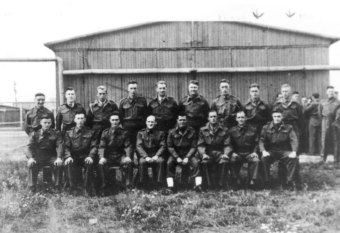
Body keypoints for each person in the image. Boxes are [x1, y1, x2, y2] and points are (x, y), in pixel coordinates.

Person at [260, 109, 299, 190]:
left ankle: (289, 181)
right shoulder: (266, 127)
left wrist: (294, 151)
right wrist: (263, 151)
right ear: (272, 117)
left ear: (282, 117)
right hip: (271, 150)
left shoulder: (289, 127)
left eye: (278, 116)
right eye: (275, 116)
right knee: (264, 159)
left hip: (284, 150)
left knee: (294, 158)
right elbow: (261, 140)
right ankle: (267, 181)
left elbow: (294, 140)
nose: (276, 118)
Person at [26, 114, 62, 192]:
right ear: (41, 123)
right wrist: (31, 158)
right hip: (38, 156)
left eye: (49, 123)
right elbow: (29, 147)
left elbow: (59, 145)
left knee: (58, 164)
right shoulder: (34, 133)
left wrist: (59, 158)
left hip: (51, 156)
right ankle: (32, 187)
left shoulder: (56, 133)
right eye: (45, 122)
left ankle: (57, 186)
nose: (47, 124)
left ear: (51, 123)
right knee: (31, 164)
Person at [166, 114, 202, 192]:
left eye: (184, 120)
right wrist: (176, 157)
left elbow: (194, 146)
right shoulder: (171, 132)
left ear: (187, 121)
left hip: (188, 154)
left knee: (196, 163)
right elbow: (170, 146)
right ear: (177, 121)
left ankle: (198, 186)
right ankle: (170, 186)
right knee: (169, 163)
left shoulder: (192, 131)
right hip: (176, 154)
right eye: (180, 120)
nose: (182, 122)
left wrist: (187, 157)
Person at [98, 112, 133, 191]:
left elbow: (127, 146)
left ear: (119, 121)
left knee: (128, 162)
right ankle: (104, 186)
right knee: (101, 163)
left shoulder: (124, 132)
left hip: (119, 155)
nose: (115, 122)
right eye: (113, 120)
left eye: (116, 120)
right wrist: (102, 157)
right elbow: (101, 146)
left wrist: (127, 156)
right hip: (108, 156)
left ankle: (127, 185)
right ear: (110, 121)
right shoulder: (105, 132)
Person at [64, 112, 97, 195]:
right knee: (68, 163)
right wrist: (68, 156)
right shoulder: (69, 132)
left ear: (85, 120)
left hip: (86, 156)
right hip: (73, 157)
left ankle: (86, 187)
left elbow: (94, 146)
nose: (80, 120)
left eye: (82, 118)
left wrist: (90, 156)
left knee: (89, 163)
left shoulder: (91, 132)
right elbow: (66, 147)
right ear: (75, 120)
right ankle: (73, 187)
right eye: (78, 118)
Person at [226, 111, 261, 189]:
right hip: (237, 153)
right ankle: (235, 180)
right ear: (236, 119)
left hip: (249, 153)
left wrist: (254, 152)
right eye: (239, 117)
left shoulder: (253, 129)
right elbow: (229, 144)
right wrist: (232, 153)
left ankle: (252, 181)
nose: (241, 119)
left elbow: (256, 143)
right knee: (232, 160)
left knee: (256, 160)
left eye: (242, 117)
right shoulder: (232, 131)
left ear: (246, 118)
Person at [197, 110, 230, 190]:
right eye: (211, 117)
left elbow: (227, 144)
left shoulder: (224, 129)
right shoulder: (203, 130)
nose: (213, 118)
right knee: (205, 162)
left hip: (220, 152)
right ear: (208, 118)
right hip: (208, 152)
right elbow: (200, 144)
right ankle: (209, 185)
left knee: (224, 161)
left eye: (215, 116)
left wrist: (226, 154)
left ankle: (221, 185)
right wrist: (203, 154)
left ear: (217, 118)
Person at [136, 115, 166, 189]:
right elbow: (139, 146)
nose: (150, 123)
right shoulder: (141, 133)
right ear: (146, 122)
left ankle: (159, 184)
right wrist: (146, 157)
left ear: (155, 123)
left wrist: (157, 155)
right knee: (142, 162)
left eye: (152, 122)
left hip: (156, 154)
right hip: (145, 155)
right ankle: (143, 184)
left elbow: (163, 146)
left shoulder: (161, 133)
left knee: (161, 161)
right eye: (148, 122)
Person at [119, 80, 148, 152]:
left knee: (140, 147)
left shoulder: (142, 101)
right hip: (128, 129)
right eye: (131, 88)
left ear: (137, 89)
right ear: (128, 89)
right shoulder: (123, 102)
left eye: (135, 88)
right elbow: (120, 117)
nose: (133, 90)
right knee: (129, 148)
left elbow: (145, 115)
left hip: (140, 129)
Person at [319, 86, 340, 162]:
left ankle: (336, 158)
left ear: (334, 92)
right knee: (324, 139)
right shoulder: (322, 102)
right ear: (326, 92)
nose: (331, 92)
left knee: (336, 139)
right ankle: (323, 158)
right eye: (329, 91)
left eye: (332, 91)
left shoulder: (338, 102)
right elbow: (319, 113)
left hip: (335, 121)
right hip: (325, 121)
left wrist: (336, 122)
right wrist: (324, 121)